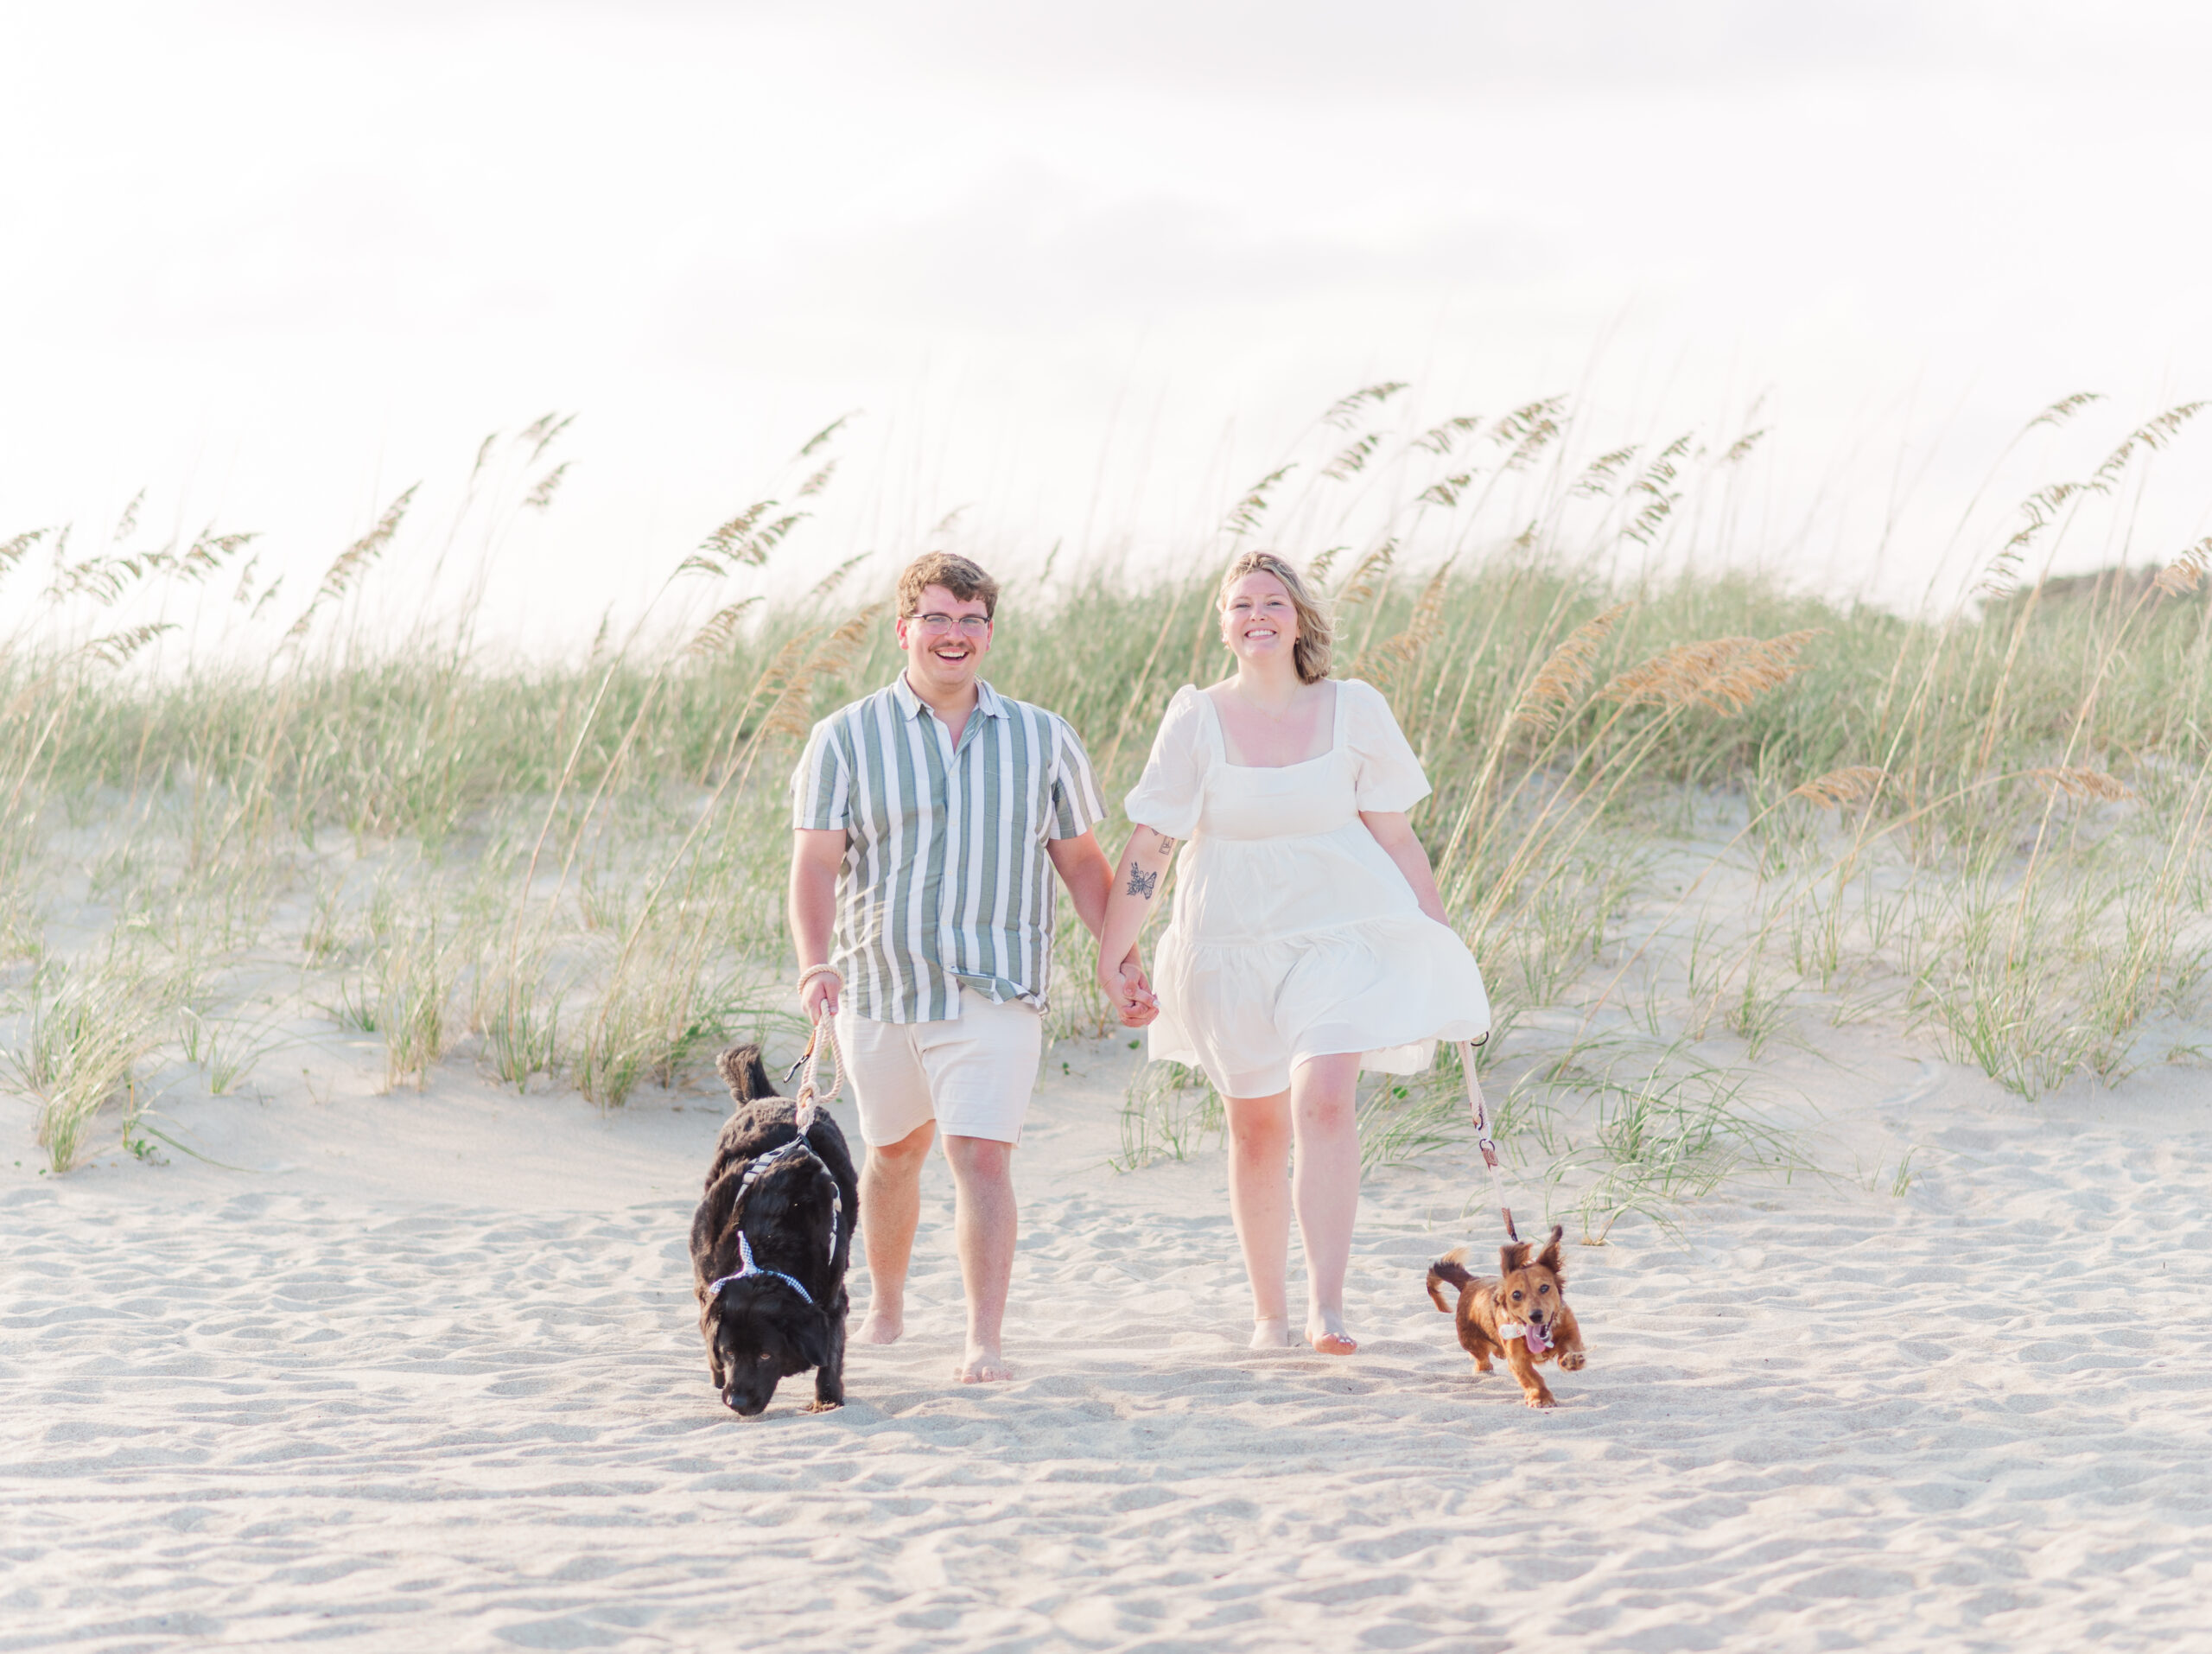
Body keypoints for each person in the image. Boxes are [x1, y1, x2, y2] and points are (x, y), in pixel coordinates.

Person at [1095, 550, 1490, 1357]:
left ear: (1300, 617)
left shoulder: (1354, 707)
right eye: (1241, 605)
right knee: (1256, 1130)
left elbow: (1397, 836)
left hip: (1342, 935)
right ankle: (1269, 1313)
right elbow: (1154, 842)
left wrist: (1438, 937)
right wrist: (1118, 949)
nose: (1257, 615)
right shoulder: (1196, 718)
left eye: (1272, 601)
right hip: (1228, 944)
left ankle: (1327, 1307)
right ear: (1224, 625)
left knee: (1323, 1100)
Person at [789, 551, 1153, 1384]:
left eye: (971, 620)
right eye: (938, 618)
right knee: (894, 1152)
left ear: (989, 631)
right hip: (881, 985)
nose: (954, 635)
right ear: (904, 629)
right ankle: (885, 1304)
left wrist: (1118, 959)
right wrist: (815, 967)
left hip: (997, 983)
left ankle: (983, 1337)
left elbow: (1083, 863)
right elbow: (813, 867)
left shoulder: (1041, 736)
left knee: (980, 1155)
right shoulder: (843, 738)